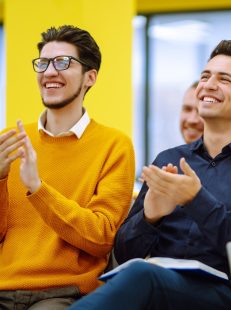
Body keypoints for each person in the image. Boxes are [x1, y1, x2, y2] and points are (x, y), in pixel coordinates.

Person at [69, 40, 231, 310]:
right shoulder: (168, 159)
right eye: (205, 77)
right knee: (139, 274)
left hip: (227, 294)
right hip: (158, 283)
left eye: (224, 79)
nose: (208, 85)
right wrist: (150, 216)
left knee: (142, 276)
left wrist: (197, 200)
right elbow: (125, 253)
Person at [0, 25, 135, 309]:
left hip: (63, 292)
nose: (49, 72)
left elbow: (101, 237)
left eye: (63, 63)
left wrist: (37, 188)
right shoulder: (9, 141)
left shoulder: (114, 145)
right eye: (44, 63)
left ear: (90, 77)